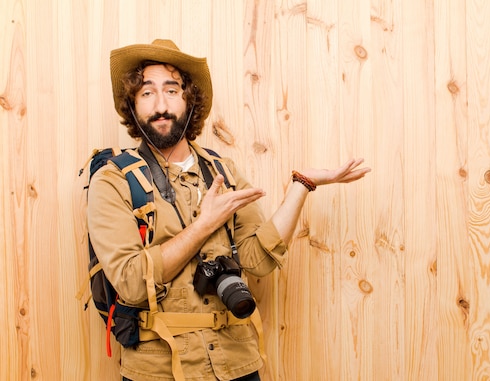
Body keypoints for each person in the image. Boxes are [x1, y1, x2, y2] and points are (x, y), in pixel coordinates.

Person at [87, 39, 370, 381]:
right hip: (158, 371)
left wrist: (303, 184)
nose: (160, 104)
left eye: (172, 90)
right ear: (132, 104)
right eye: (147, 93)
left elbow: (258, 259)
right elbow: (132, 284)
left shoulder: (222, 170)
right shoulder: (113, 180)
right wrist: (204, 225)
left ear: (189, 99)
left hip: (238, 363)